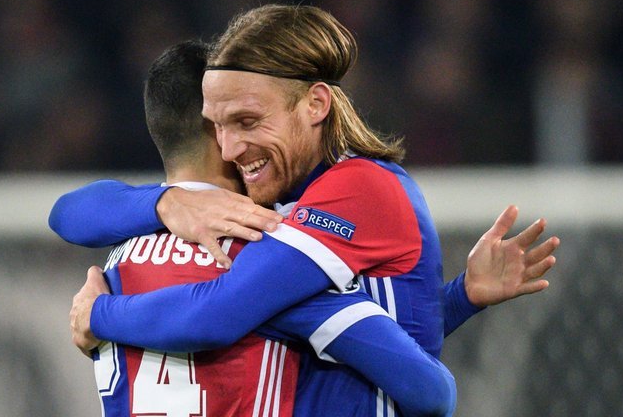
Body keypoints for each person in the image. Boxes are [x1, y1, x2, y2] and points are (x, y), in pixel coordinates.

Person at [54, 4, 559, 416]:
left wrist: (99, 313)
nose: (230, 148)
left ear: (316, 105)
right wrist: (164, 202)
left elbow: (222, 311)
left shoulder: (355, 190)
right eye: (220, 127)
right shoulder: (256, 230)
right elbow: (408, 369)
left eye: (248, 121)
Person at [72, 39, 457, 417]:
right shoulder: (263, 253)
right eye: (240, 121)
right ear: (216, 129)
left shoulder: (117, 257)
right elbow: (427, 387)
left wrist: (96, 313)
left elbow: (65, 212)